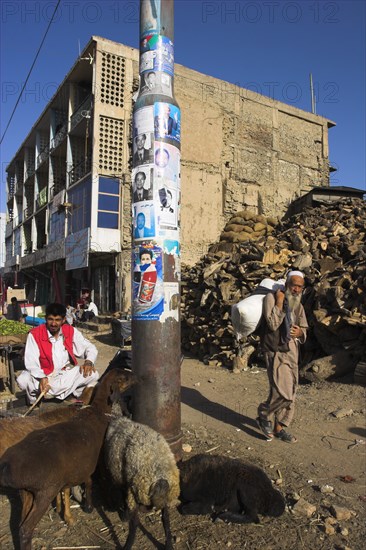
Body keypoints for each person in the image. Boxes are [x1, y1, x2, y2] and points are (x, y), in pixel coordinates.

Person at [256, 271, 308, 444]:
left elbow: (304, 327)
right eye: (294, 285)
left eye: (300, 286)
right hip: (275, 350)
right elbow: (272, 324)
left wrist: (301, 332)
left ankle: (279, 427)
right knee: (281, 390)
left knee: (291, 389)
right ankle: (264, 413)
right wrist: (279, 302)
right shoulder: (271, 299)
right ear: (286, 284)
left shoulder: (299, 305)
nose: (296, 289)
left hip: (292, 351)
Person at [17, 302, 99, 404]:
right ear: (46, 318)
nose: (53, 324)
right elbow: (31, 362)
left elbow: (90, 347)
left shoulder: (70, 331)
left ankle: (54, 393)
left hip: (63, 374)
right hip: (43, 374)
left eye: (57, 320)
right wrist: (42, 377)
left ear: (64, 320)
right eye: (50, 319)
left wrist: (89, 362)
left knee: (93, 374)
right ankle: (60, 393)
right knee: (23, 380)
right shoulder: (35, 334)